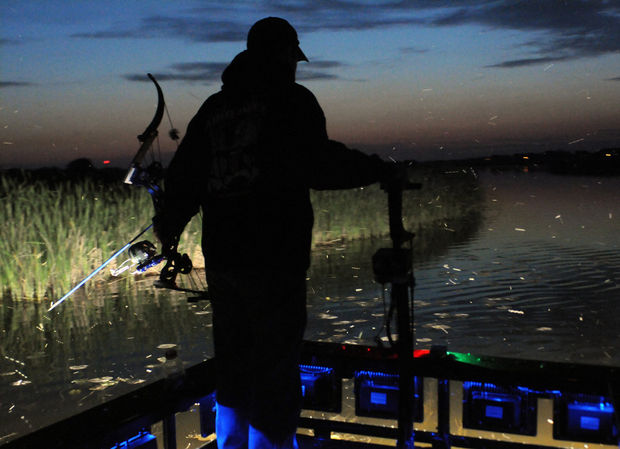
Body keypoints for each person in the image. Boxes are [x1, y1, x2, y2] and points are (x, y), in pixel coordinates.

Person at [153, 17, 396, 449]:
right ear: (284, 55)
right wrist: (378, 169)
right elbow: (318, 163)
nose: (295, 66)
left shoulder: (213, 109)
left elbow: (185, 178)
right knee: (275, 364)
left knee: (234, 360)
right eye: (292, 57)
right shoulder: (290, 99)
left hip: (224, 260)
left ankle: (231, 444)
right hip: (273, 256)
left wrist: (170, 224)